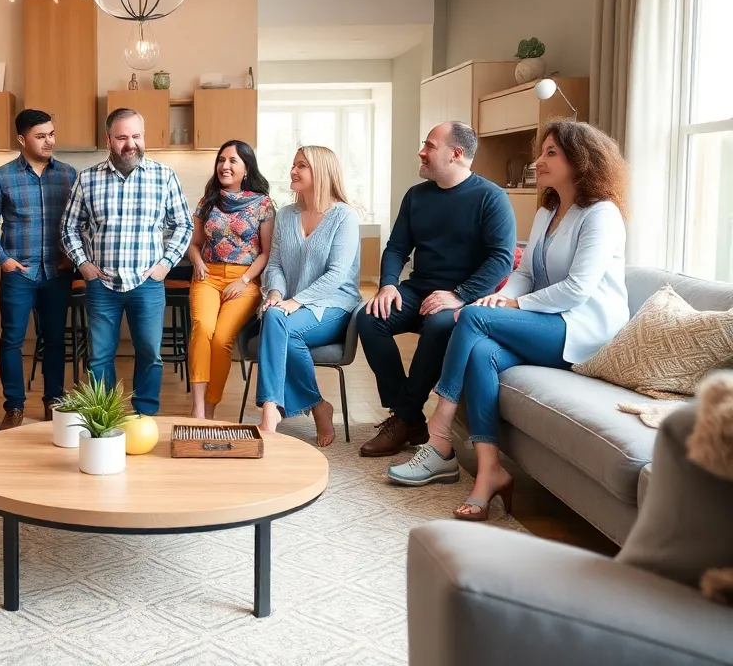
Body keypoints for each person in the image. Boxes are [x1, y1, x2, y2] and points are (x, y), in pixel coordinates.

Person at [388, 121, 630, 520]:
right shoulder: (548, 211)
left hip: (585, 330)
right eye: (543, 151)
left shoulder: (601, 215)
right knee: (481, 351)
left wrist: (511, 308)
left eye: (551, 153)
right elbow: (526, 273)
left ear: (580, 159)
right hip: (548, 320)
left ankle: (440, 431)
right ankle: (490, 472)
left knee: (472, 317)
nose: (540, 160)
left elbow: (577, 290)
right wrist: (503, 296)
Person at [355, 121, 516, 458]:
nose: (421, 152)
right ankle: (409, 416)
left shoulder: (491, 197)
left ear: (456, 154)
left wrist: (460, 294)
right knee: (369, 318)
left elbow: (500, 259)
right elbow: (397, 247)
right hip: (418, 290)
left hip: (463, 297)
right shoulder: (416, 196)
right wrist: (387, 285)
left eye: (429, 145)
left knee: (441, 324)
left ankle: (403, 418)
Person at [60, 108, 193, 416]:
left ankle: (144, 414)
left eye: (136, 136)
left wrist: (165, 264)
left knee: (150, 354)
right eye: (122, 137)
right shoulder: (88, 179)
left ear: (143, 137)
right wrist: (83, 264)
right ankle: (102, 417)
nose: (130, 144)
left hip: (147, 283)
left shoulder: (164, 176)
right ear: (109, 140)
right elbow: (68, 227)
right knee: (99, 357)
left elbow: (184, 224)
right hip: (102, 285)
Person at [0, 109, 77, 430]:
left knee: (55, 340)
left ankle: (53, 402)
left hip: (57, 273)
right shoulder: (1, 177)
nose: (49, 141)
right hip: (18, 273)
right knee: (12, 341)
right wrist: (3, 259)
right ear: (22, 139)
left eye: (51, 134)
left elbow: (81, 223)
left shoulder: (69, 175)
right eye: (40, 136)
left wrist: (72, 258)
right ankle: (14, 407)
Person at [254, 146, 361, 447]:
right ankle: (287, 407)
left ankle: (279, 408)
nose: (293, 171)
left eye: (302, 166)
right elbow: (274, 263)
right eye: (293, 164)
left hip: (333, 306)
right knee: (274, 316)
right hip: (290, 308)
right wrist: (275, 293)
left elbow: (338, 274)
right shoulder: (286, 215)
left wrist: (296, 301)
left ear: (322, 172)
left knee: (279, 322)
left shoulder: (344, 217)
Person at [188, 141, 275, 420]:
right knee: (202, 329)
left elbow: (266, 252)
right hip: (208, 276)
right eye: (221, 159)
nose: (225, 166)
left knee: (222, 339)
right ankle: (199, 409)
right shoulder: (208, 200)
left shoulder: (263, 204)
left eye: (233, 160)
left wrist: (246, 279)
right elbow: (195, 244)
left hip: (245, 280)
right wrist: (198, 261)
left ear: (246, 168)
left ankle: (212, 406)